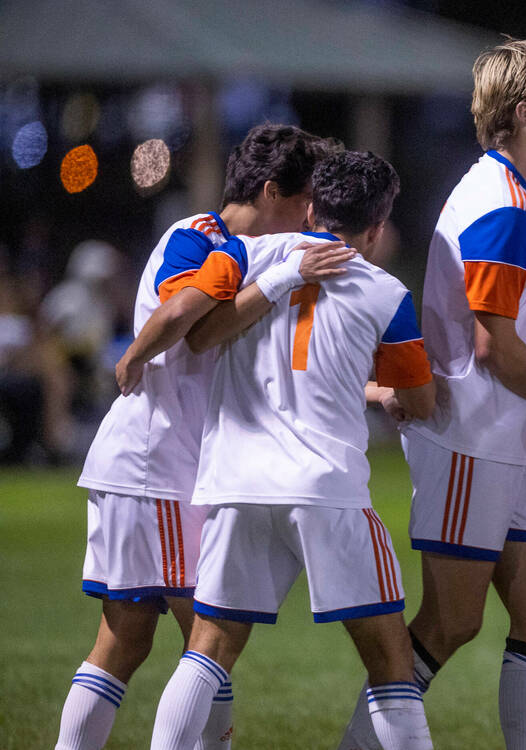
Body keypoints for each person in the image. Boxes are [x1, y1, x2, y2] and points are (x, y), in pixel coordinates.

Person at [57, 124, 344, 750]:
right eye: (304, 202)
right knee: (208, 637)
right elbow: (184, 314)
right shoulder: (204, 240)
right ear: (272, 191)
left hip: (162, 468)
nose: (310, 216)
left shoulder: (241, 251)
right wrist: (134, 353)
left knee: (130, 640)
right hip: (160, 466)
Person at [149, 150, 436, 750]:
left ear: (309, 208)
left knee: (209, 647)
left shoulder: (246, 254)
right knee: (390, 655)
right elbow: (423, 402)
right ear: (378, 228)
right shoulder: (386, 293)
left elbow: (200, 336)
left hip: (236, 482)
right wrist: (395, 391)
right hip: (325, 488)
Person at [377, 39, 526, 750]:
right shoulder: (502, 204)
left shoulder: (516, 189)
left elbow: (514, 313)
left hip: (499, 441)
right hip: (467, 439)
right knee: (449, 624)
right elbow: (493, 346)